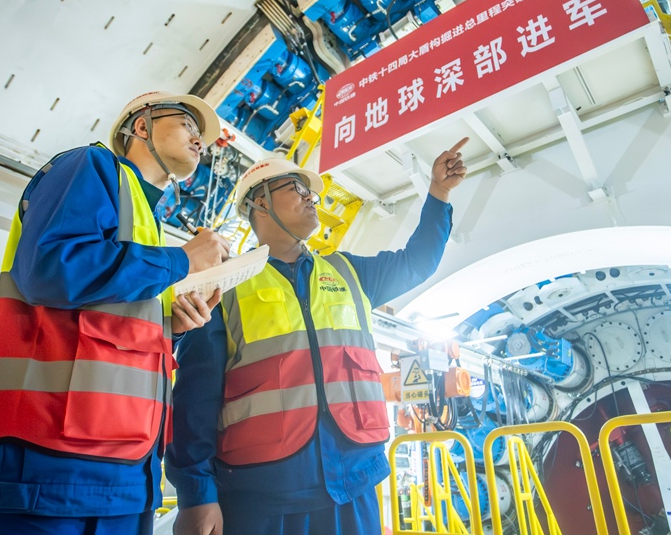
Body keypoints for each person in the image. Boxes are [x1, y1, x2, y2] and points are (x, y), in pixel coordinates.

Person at [0, 92, 231, 534]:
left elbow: (111, 330)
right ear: (141, 126)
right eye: (187, 122)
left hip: (123, 468)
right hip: (41, 459)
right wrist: (181, 261)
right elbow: (50, 269)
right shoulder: (91, 167)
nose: (199, 139)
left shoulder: (147, 222)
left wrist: (173, 327)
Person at [167, 137, 470, 535]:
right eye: (295, 187)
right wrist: (197, 495)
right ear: (259, 203)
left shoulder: (349, 272)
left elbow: (417, 262)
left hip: (355, 482)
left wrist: (439, 193)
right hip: (262, 495)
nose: (311, 197)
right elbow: (195, 400)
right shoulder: (225, 288)